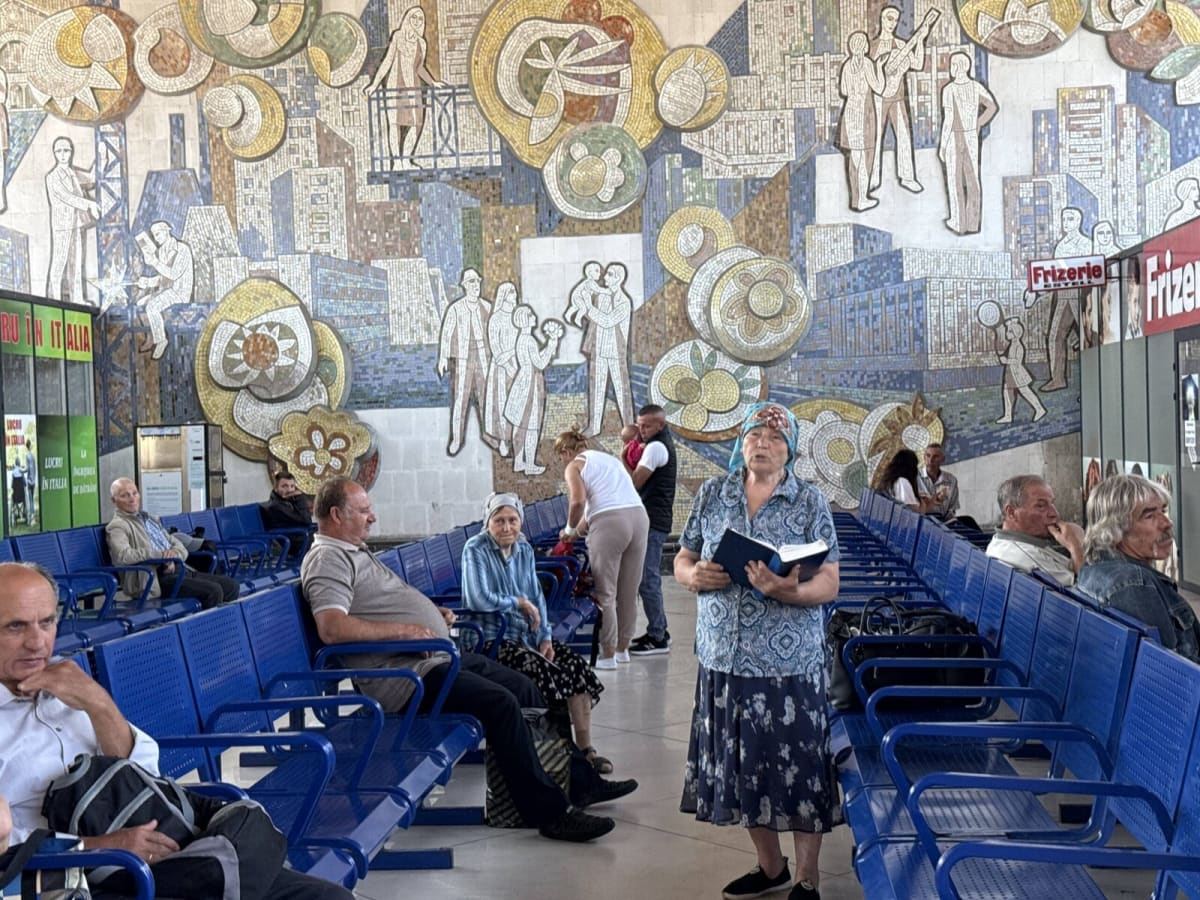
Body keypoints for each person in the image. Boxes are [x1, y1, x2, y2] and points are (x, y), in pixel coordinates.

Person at [300, 476, 630, 842]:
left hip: (433, 660)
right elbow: (332, 628)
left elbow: (377, 608)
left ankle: (578, 782)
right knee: (501, 704)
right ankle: (549, 812)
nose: (372, 517)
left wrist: (429, 615)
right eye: (363, 511)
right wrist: (407, 631)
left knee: (525, 687)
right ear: (335, 515)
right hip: (404, 679)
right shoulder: (328, 559)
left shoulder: (352, 552)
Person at [0, 561, 351, 899]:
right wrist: (97, 847)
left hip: (163, 850)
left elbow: (144, 773)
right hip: (76, 877)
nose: (38, 642)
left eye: (46, 622)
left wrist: (98, 704)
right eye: (16, 627)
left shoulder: (67, 684)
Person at [675, 402, 841, 900]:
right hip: (724, 659)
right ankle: (771, 867)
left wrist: (786, 591)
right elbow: (684, 555)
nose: (763, 443)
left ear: (789, 450)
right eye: (754, 436)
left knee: (801, 767)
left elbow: (829, 581)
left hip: (788, 663)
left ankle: (808, 877)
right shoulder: (713, 494)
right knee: (744, 767)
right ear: (740, 445)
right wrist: (692, 576)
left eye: (775, 437)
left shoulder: (808, 501)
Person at [460, 492, 614, 773]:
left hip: (525, 637)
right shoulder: (475, 549)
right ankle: (562, 760)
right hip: (489, 641)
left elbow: (536, 597)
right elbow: (477, 599)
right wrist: (516, 603)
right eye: (499, 521)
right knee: (546, 674)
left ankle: (584, 750)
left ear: (521, 521)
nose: (507, 527)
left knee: (573, 666)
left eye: (513, 520)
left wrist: (544, 636)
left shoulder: (524, 549)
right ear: (488, 522)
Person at [1078, 474, 1200, 662]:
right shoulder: (1133, 585)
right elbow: (1169, 671)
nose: (1167, 523)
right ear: (1113, 529)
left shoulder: (1096, 568)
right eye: (1149, 515)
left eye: (1164, 511)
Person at [554, 428, 648, 670]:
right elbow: (596, 508)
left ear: (566, 451)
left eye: (561, 456)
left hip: (611, 524)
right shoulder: (609, 459)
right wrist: (575, 534)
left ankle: (607, 656)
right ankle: (622, 650)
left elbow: (578, 502)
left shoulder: (574, 466)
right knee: (629, 591)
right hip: (638, 517)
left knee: (606, 593)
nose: (563, 461)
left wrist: (567, 529)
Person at [106, 478, 240, 610]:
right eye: (125, 495)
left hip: (179, 569)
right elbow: (122, 555)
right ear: (114, 500)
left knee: (231, 586)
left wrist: (173, 555)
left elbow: (178, 545)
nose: (132, 498)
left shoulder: (149, 519)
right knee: (213, 592)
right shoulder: (118, 526)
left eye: (134, 493)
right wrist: (161, 557)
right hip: (154, 579)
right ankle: (205, 630)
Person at [362, 5, 444, 169]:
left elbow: (419, 68)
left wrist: (432, 82)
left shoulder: (422, 43)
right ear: (407, 17)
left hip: (414, 87)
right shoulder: (398, 36)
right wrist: (374, 85)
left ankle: (406, 159)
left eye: (420, 18)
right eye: (413, 16)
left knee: (416, 123)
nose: (416, 21)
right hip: (396, 85)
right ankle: (397, 162)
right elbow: (387, 61)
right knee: (395, 123)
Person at [628, 404, 677, 657]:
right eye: (639, 425)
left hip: (653, 521)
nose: (642, 430)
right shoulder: (656, 444)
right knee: (646, 578)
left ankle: (658, 636)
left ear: (661, 425)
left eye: (647, 425)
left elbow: (635, 482)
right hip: (653, 520)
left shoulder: (657, 447)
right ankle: (658, 630)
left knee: (648, 579)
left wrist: (625, 459)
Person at [938, 51, 997, 235]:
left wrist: (943, 143)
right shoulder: (976, 86)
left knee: (954, 180)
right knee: (973, 181)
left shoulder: (949, 89)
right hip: (971, 136)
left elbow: (948, 118)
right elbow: (992, 106)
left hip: (955, 137)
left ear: (961, 67)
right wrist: (978, 123)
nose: (952, 69)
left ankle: (958, 222)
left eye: (954, 65)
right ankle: (973, 223)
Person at [985, 475, 1083, 586]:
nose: (1054, 513)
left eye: (1052, 503)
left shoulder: (1001, 540)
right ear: (1011, 513)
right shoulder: (1027, 558)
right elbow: (1088, 589)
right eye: (1041, 506)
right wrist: (1075, 546)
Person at [436, 269, 492, 456]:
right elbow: (446, 333)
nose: (476, 286)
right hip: (463, 359)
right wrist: (443, 357)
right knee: (461, 400)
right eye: (472, 283)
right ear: (465, 286)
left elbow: (495, 332)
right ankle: (457, 439)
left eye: (477, 282)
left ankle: (490, 434)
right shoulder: (456, 308)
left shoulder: (486, 307)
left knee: (486, 398)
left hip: (483, 358)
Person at [45, 136, 99, 306]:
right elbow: (67, 197)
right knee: (59, 263)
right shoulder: (53, 177)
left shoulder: (73, 173)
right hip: (62, 225)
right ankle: (53, 300)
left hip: (76, 224)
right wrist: (89, 204)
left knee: (76, 264)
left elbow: (91, 179)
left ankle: (77, 298)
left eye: (66, 150)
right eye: (59, 151)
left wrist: (102, 156)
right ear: (55, 153)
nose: (63, 154)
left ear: (71, 152)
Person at [836, 31, 882, 212]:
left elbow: (845, 91)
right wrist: (879, 67)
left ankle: (856, 198)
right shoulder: (867, 64)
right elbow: (879, 87)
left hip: (850, 112)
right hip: (865, 114)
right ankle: (862, 198)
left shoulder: (847, 65)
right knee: (865, 158)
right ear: (864, 46)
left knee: (855, 159)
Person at [135, 221, 194, 361]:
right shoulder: (161, 251)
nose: (156, 238)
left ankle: (161, 340)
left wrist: (155, 262)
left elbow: (173, 274)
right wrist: (148, 282)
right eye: (154, 235)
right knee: (139, 304)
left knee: (152, 307)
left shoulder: (182, 249)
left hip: (179, 291)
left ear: (166, 231)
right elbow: (163, 278)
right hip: (166, 290)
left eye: (158, 234)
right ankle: (151, 336)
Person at [261, 470, 313, 560]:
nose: (289, 490)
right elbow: (306, 520)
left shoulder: (288, 501)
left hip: (300, 539)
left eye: (292, 486)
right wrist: (300, 497)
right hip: (291, 544)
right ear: (275, 488)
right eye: (284, 486)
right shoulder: (275, 506)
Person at [870, 448, 931, 512]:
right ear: (911, 467)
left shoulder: (890, 480)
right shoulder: (903, 482)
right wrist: (922, 501)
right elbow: (916, 512)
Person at [916, 443, 959, 522]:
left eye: (935, 457)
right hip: (921, 519)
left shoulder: (951, 480)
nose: (931, 460)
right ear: (924, 457)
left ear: (942, 459)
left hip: (943, 520)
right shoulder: (915, 476)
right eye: (928, 456)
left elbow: (952, 507)